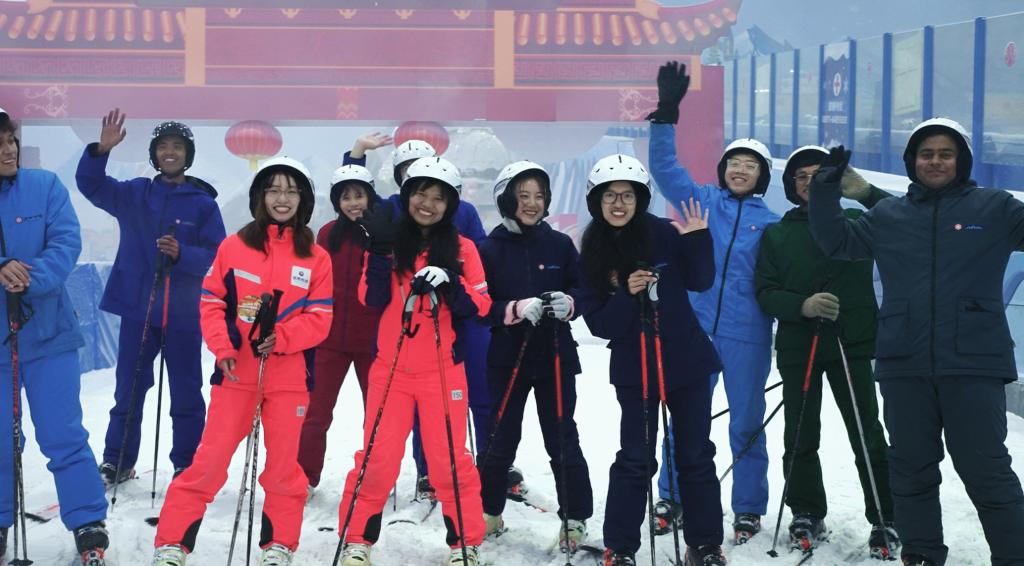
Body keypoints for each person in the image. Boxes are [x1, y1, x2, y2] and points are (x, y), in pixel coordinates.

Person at [807, 119, 1024, 566]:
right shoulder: (889, 216)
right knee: (910, 470)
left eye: (946, 154)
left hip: (974, 363)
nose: (935, 161)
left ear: (962, 160)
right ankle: (922, 555)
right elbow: (837, 242)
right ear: (912, 162)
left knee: (986, 470)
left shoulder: (995, 208)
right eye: (926, 154)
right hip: (904, 362)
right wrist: (825, 190)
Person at [151, 157, 332, 566]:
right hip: (236, 375)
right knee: (208, 462)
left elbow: (321, 318)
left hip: (289, 378)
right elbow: (212, 301)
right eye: (274, 190)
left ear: (303, 199)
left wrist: (283, 337)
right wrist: (223, 348)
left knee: (284, 468)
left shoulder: (316, 257)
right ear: (260, 196)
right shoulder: (234, 247)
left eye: (291, 191)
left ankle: (278, 545)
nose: (282, 198)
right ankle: (172, 543)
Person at [647, 61, 778, 543]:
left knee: (746, 425)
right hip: (696, 329)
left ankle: (748, 507)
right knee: (686, 419)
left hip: (749, 336)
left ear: (762, 176)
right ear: (723, 169)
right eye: (734, 162)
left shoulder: (773, 224)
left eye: (751, 165)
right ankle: (672, 494)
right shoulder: (701, 201)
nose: (740, 169)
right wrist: (666, 116)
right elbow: (665, 170)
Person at [336, 157, 490, 566]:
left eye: (439, 198)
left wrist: (452, 282)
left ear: (450, 205)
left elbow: (481, 305)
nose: (428, 204)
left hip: (443, 372)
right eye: (421, 193)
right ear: (407, 196)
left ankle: (465, 543)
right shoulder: (388, 241)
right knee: (376, 459)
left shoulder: (463, 248)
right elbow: (370, 298)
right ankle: (357, 539)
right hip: (391, 370)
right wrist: (380, 252)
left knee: (448, 462)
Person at [577, 154, 726, 566]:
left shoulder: (664, 232)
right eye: (610, 196)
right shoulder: (591, 251)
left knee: (695, 454)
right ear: (596, 201)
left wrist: (698, 239)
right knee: (636, 458)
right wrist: (627, 294)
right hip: (635, 368)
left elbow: (700, 280)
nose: (619, 203)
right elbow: (601, 325)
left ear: (640, 199)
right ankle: (620, 547)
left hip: (686, 362)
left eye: (627, 195)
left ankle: (705, 544)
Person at [754, 145, 899, 557]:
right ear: (790, 185)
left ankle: (887, 515)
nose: (810, 183)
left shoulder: (857, 222)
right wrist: (801, 305)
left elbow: (906, 221)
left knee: (867, 432)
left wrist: (865, 192)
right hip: (800, 345)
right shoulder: (777, 233)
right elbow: (765, 291)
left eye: (819, 175)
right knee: (800, 432)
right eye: (801, 177)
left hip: (851, 342)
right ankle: (806, 510)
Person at [75, 109, 225, 485]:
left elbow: (218, 256)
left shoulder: (204, 204)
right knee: (128, 389)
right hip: (137, 310)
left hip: (183, 313)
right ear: (154, 154)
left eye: (177, 147)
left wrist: (182, 254)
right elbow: (91, 185)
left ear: (188, 154)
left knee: (186, 391)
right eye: (163, 147)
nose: (169, 152)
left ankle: (187, 463)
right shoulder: (134, 193)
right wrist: (100, 151)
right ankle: (118, 460)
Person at [0, 106, 110, 565]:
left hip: (49, 336)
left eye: (10, 141)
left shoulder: (44, 185)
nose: (8, 150)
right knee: (1, 440)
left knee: (63, 432)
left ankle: (87, 520)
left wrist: (31, 277)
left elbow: (66, 241)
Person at [476, 161, 593, 551]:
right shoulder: (489, 248)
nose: (532, 203)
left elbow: (584, 289)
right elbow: (480, 305)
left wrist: (570, 303)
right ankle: (488, 511)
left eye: (539, 196)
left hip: (555, 356)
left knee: (562, 438)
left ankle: (575, 518)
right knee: (499, 438)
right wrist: (513, 309)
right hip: (507, 358)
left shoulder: (559, 244)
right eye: (523, 195)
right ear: (506, 198)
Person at [297, 164, 384, 499]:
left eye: (359, 195)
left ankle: (374, 475)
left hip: (372, 341)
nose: (353, 203)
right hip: (328, 339)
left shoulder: (381, 232)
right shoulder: (327, 234)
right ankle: (304, 475)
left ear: (370, 198)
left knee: (375, 415)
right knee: (316, 413)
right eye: (345, 197)